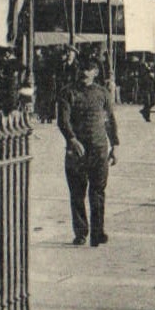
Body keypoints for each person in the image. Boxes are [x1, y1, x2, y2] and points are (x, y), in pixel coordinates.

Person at [57, 58, 119, 247]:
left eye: (89, 69)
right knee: (77, 192)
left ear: (96, 73)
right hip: (76, 152)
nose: (85, 73)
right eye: (82, 68)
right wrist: (72, 139)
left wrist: (114, 145)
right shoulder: (68, 92)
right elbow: (63, 120)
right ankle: (81, 232)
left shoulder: (102, 93)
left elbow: (109, 120)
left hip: (99, 149)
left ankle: (98, 232)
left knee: (98, 192)